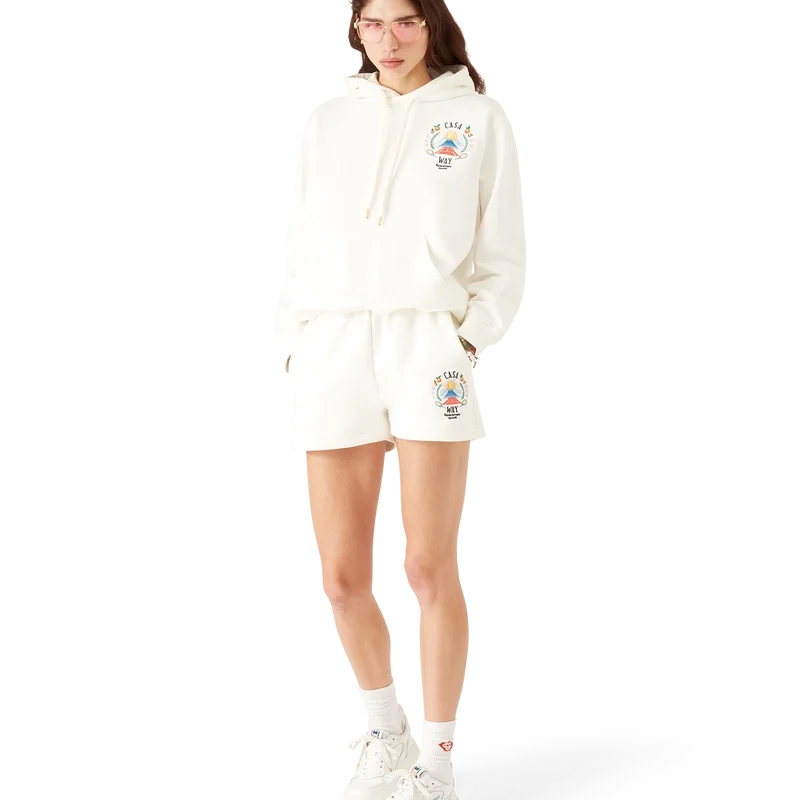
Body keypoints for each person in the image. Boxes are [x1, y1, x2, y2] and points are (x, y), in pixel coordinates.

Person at [276, 1, 527, 797]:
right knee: (342, 574)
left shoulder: (478, 118)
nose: (389, 41)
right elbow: (297, 238)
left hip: (429, 346)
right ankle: (384, 729)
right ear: (356, 31)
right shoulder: (327, 116)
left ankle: (437, 760)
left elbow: (505, 250)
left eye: (407, 22)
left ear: (435, 26)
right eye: (373, 24)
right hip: (335, 346)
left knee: (426, 565)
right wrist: (298, 340)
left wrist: (469, 338)